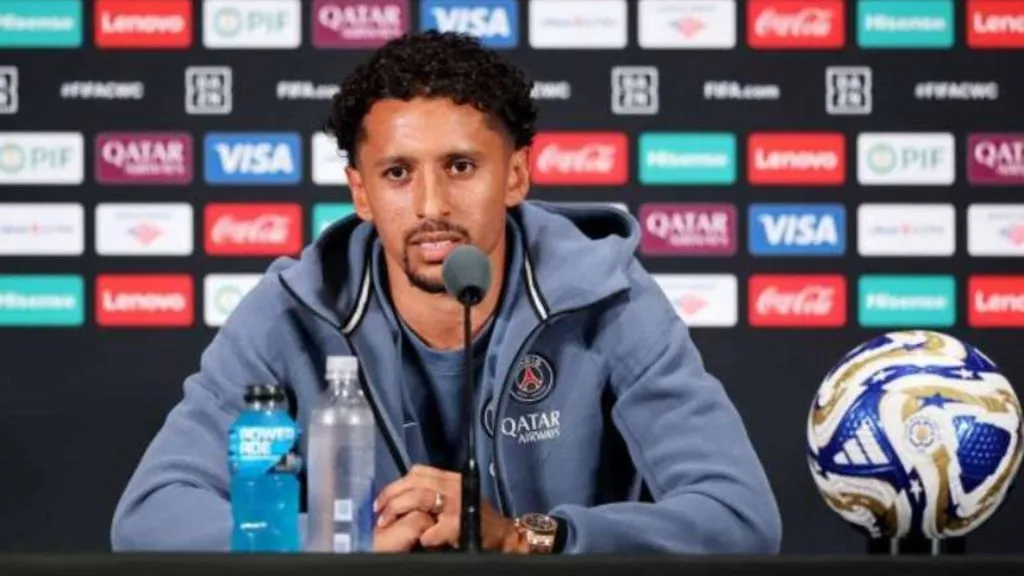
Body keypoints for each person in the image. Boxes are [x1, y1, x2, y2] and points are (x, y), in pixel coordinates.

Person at [110, 30, 782, 555]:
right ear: (360, 192)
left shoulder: (607, 298)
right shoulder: (292, 308)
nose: (432, 205)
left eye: (461, 167)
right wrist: (347, 542)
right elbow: (151, 514)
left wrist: (529, 537)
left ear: (516, 174)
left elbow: (738, 515)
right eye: (398, 172)